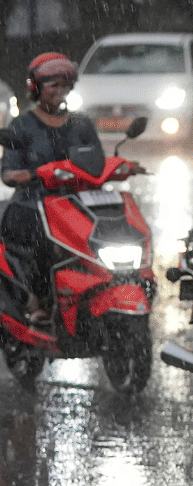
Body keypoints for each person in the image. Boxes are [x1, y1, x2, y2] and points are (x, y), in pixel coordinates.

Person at [1, 52, 105, 325]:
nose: (60, 92)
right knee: (42, 239)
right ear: (36, 88)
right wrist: (30, 174)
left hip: (76, 203)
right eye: (52, 86)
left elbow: (98, 162)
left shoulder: (81, 123)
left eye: (65, 85)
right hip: (32, 204)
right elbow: (8, 173)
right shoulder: (21, 125)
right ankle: (36, 299)